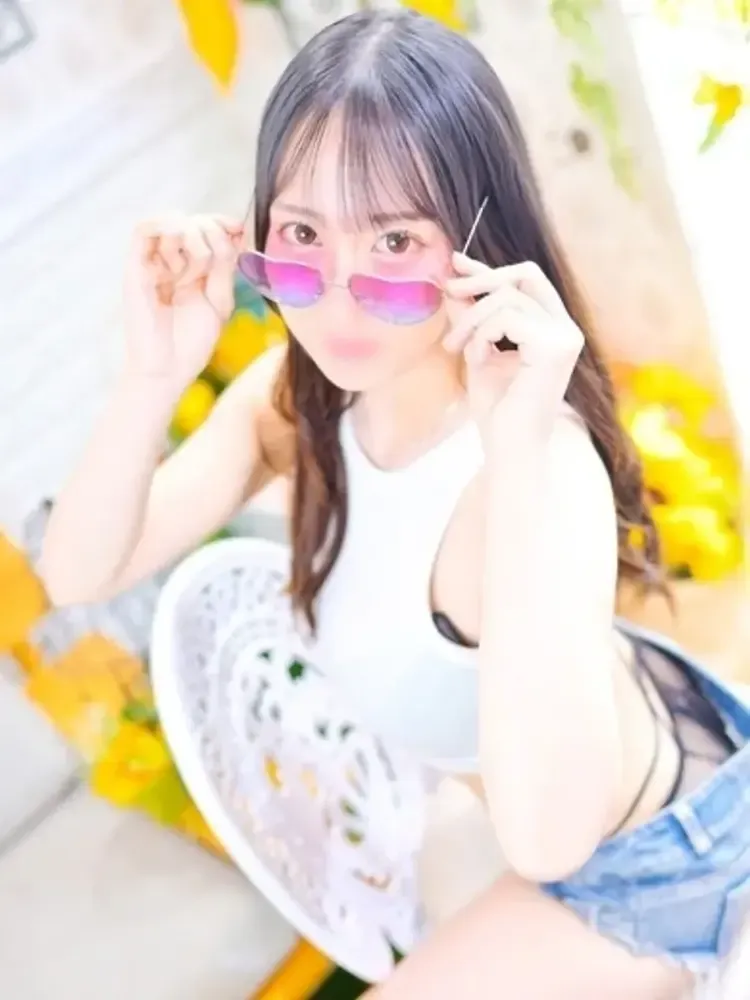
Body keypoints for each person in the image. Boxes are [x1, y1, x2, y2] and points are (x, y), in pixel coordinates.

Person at [40, 9, 750, 999]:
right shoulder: (300, 399)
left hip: (651, 871)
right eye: (302, 234)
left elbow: (552, 839)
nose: (337, 295)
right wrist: (153, 373)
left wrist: (516, 459)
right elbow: (77, 572)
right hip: (575, 791)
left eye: (395, 239)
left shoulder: (538, 463)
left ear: (479, 242)